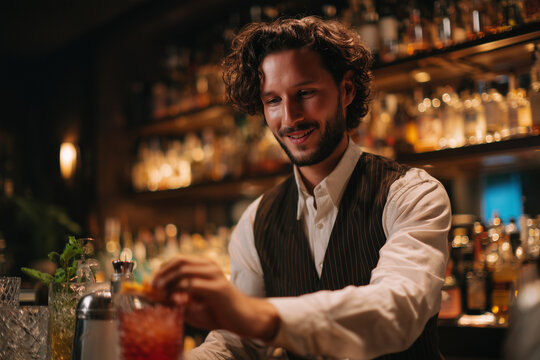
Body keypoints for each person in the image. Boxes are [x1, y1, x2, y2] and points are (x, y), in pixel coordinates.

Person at [153, 16, 451, 360]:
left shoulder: (413, 194)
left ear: (346, 90)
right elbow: (238, 344)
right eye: (273, 101)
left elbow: (399, 309)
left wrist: (258, 315)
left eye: (305, 93)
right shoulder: (256, 221)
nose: (290, 117)